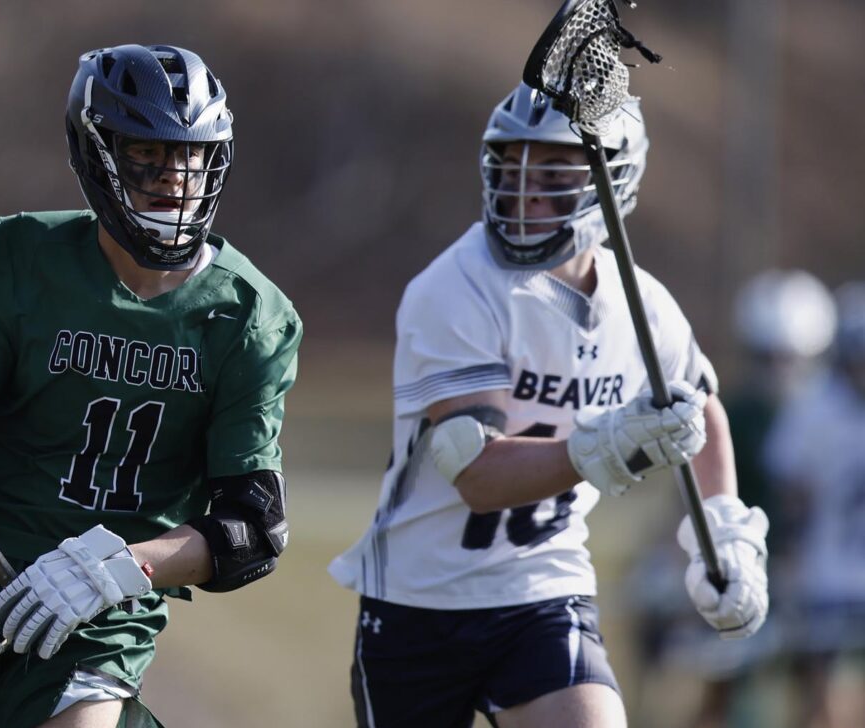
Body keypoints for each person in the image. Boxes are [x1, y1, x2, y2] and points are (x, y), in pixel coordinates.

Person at [0, 44, 301, 728]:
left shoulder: (250, 315)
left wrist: (116, 567)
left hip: (97, 614)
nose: (175, 177)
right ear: (97, 153)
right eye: (149, 153)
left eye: (192, 155)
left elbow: (251, 528)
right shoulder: (16, 256)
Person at [328, 82, 770, 728]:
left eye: (555, 174)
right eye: (512, 169)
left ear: (614, 183)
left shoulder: (642, 307)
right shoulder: (455, 288)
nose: (525, 194)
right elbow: (475, 472)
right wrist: (605, 445)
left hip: (542, 588)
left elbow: (700, 411)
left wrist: (726, 539)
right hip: (418, 601)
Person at [626, 269, 835, 728]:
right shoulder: (735, 413)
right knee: (721, 691)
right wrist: (670, 555)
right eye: (767, 357)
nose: (778, 371)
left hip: (813, 575)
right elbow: (693, 494)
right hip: (744, 564)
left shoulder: (832, 419)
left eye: (788, 358)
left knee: (821, 693)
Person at [765, 282, 865, 728]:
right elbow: (792, 499)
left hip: (838, 573)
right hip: (825, 578)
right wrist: (788, 560)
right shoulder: (814, 409)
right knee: (819, 703)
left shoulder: (813, 408)